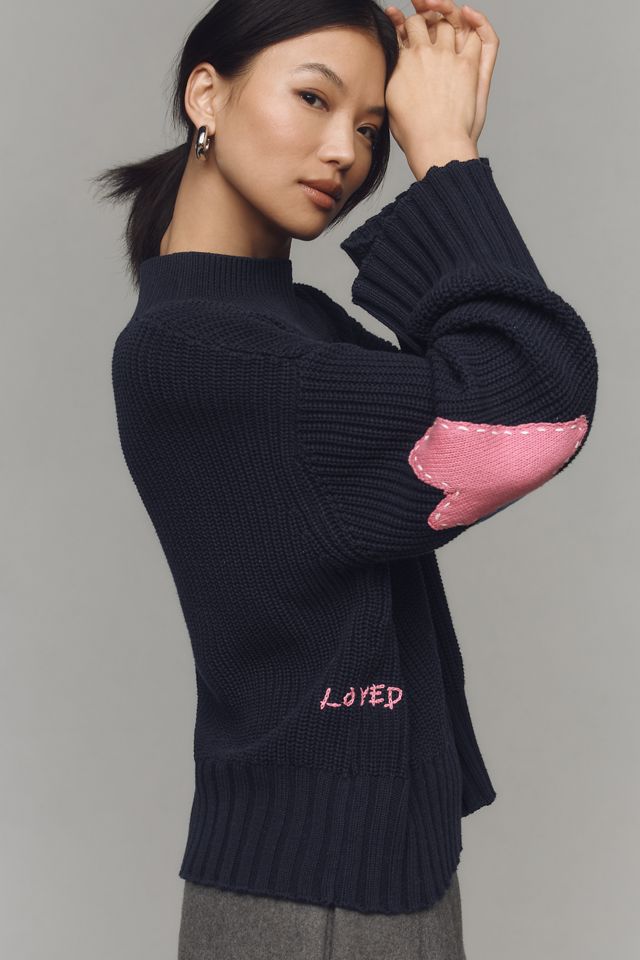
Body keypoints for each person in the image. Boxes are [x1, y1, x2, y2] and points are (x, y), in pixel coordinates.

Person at [94, 0, 598, 957]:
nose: (346, 154)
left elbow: (496, 394)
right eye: (314, 99)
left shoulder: (290, 327)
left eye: (372, 129)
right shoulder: (201, 354)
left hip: (357, 876)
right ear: (207, 94)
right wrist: (443, 153)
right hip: (319, 902)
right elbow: (529, 411)